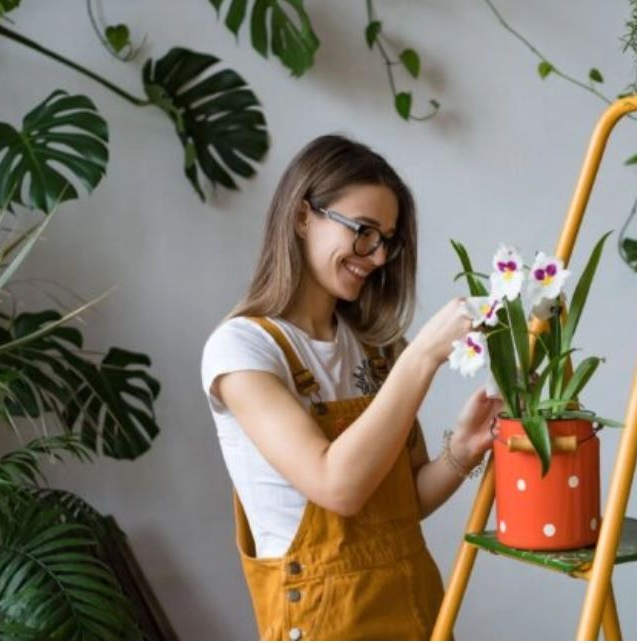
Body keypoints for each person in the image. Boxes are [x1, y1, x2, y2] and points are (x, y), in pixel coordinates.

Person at [201, 134, 502, 641]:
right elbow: (336, 487)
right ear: (302, 216)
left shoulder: (378, 349)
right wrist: (425, 355)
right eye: (364, 231)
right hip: (325, 621)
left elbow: (404, 504)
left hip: (416, 608)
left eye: (387, 239)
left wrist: (462, 452)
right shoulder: (242, 350)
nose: (378, 256)